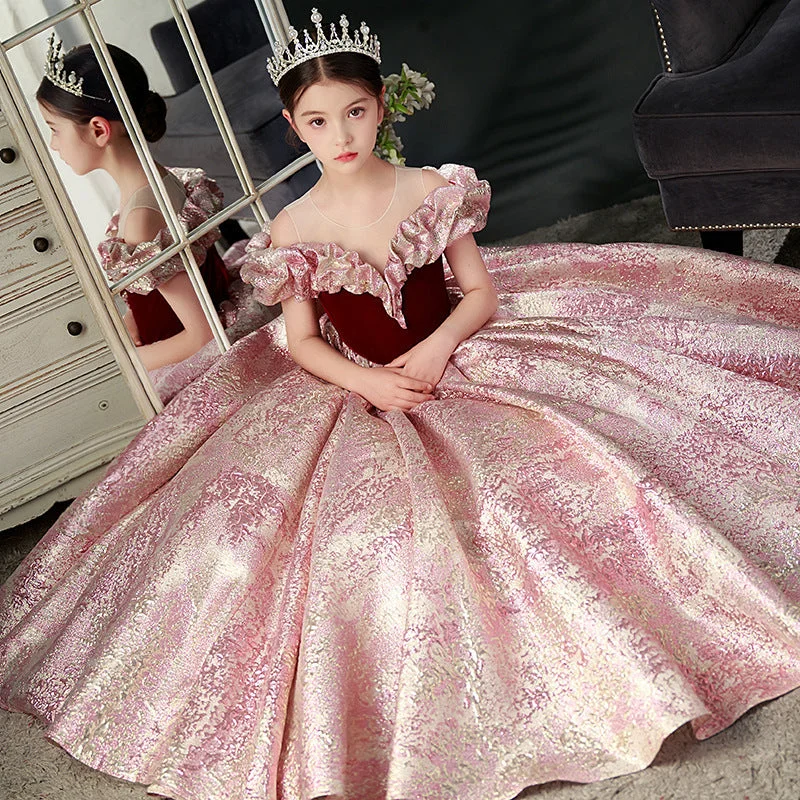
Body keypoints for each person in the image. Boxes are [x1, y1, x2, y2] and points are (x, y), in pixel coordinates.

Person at [1, 10, 799, 800]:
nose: (340, 135)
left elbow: (478, 292)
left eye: (354, 112)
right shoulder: (292, 228)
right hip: (360, 385)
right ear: (294, 127)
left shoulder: (431, 190)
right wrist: (369, 383)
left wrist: (440, 345)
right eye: (318, 121)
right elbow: (302, 340)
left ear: (380, 106)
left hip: (456, 351)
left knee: (585, 451)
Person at [36, 35, 270, 394]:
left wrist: (122, 360)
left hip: (197, 362)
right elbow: (167, 292)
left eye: (54, 130)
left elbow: (202, 335)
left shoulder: (140, 220)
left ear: (98, 130)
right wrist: (134, 320)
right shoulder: (164, 180)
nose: (53, 145)